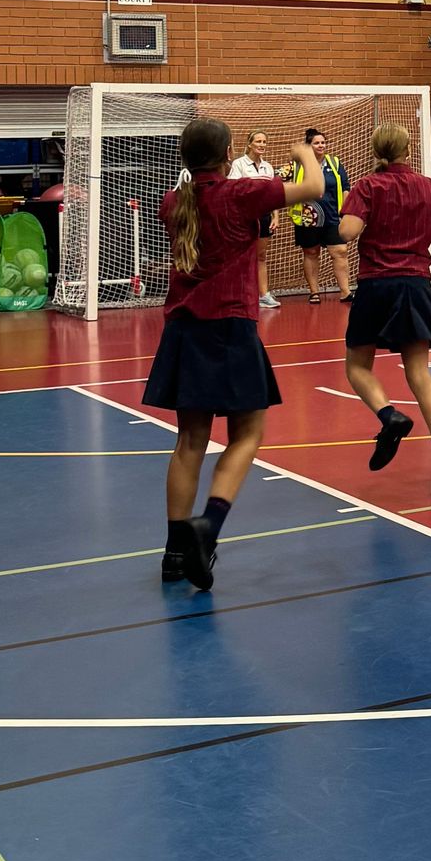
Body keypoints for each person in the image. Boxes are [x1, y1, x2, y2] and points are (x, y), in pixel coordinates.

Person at [144, 121, 323, 594]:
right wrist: (304, 153)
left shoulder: (173, 202)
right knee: (247, 433)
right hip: (230, 325)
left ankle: (173, 552)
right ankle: (209, 525)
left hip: (184, 329)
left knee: (189, 440)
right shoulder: (242, 193)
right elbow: (314, 188)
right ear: (228, 154)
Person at [337, 124, 431, 495]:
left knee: (357, 366)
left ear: (375, 151)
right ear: (408, 150)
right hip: (415, 284)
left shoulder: (367, 186)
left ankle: (389, 415)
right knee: (419, 372)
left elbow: (347, 232)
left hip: (377, 284)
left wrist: (344, 215)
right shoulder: (429, 186)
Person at [291, 124, 350, 304]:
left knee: (340, 251)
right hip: (308, 218)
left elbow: (345, 187)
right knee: (311, 252)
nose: (321, 145)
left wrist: (345, 212)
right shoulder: (298, 165)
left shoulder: (335, 163)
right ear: (309, 146)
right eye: (317, 143)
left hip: (332, 216)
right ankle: (314, 292)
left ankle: (345, 292)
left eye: (323, 142)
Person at [229, 127, 281, 312]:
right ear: (249, 144)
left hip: (264, 216)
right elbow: (233, 190)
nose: (262, 145)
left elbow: (273, 194)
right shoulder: (239, 164)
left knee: (261, 255)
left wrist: (275, 216)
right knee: (242, 256)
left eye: (264, 142)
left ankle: (263, 295)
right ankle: (240, 295)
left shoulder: (268, 167)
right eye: (258, 141)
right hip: (245, 218)